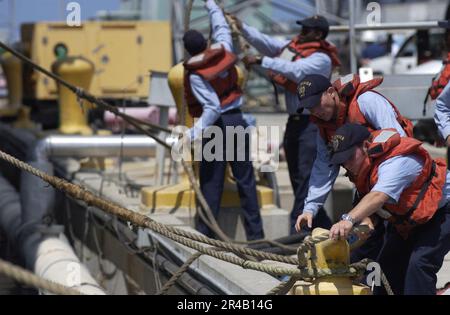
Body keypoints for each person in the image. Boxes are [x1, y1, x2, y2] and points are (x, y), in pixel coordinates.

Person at [229, 14, 341, 234]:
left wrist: (261, 60)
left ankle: (295, 235)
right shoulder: (293, 48)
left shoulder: (321, 59)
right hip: (295, 123)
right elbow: (267, 42)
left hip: (312, 124)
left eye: (307, 30)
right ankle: (325, 227)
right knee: (299, 179)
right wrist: (242, 28)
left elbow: (297, 71)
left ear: (318, 34)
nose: (301, 33)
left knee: (305, 182)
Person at [294, 73, 414, 262]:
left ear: (331, 92)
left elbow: (399, 143)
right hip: (366, 190)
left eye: (317, 103)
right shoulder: (324, 129)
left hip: (394, 187)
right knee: (362, 252)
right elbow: (323, 168)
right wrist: (310, 208)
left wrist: (383, 191)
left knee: (400, 254)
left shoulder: (366, 102)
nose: (315, 110)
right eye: (309, 108)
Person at [326, 123, 450, 295]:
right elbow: (371, 203)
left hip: (443, 212)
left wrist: (348, 220)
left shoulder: (395, 163)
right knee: (385, 266)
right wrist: (367, 222)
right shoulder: (364, 168)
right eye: (342, 161)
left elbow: (378, 196)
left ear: (365, 146)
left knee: (419, 264)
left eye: (349, 157)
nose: (347, 164)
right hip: (410, 222)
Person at [180, 0, 264, 240]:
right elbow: (222, 28)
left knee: (211, 183)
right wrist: (212, 6)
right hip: (237, 121)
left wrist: (189, 135)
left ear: (187, 51)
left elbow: (211, 108)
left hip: (217, 126)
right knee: (246, 181)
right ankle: (257, 238)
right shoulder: (224, 50)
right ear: (206, 44)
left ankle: (205, 237)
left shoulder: (195, 73)